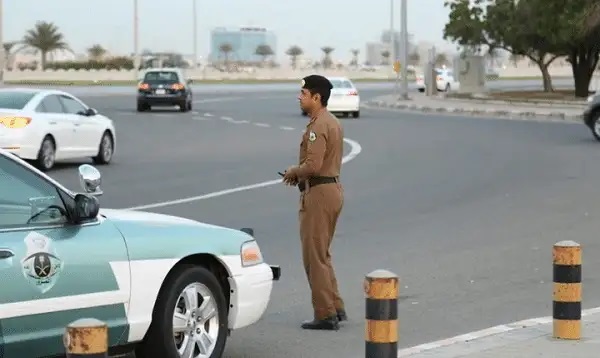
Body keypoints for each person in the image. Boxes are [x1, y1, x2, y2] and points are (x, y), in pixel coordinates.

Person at [282, 74, 346, 330]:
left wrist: (293, 172)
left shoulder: (319, 126)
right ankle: (336, 307)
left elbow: (313, 165)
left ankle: (325, 315)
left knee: (314, 258)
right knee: (323, 255)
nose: (300, 97)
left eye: (304, 94)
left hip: (319, 194)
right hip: (331, 190)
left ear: (317, 97)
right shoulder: (330, 121)